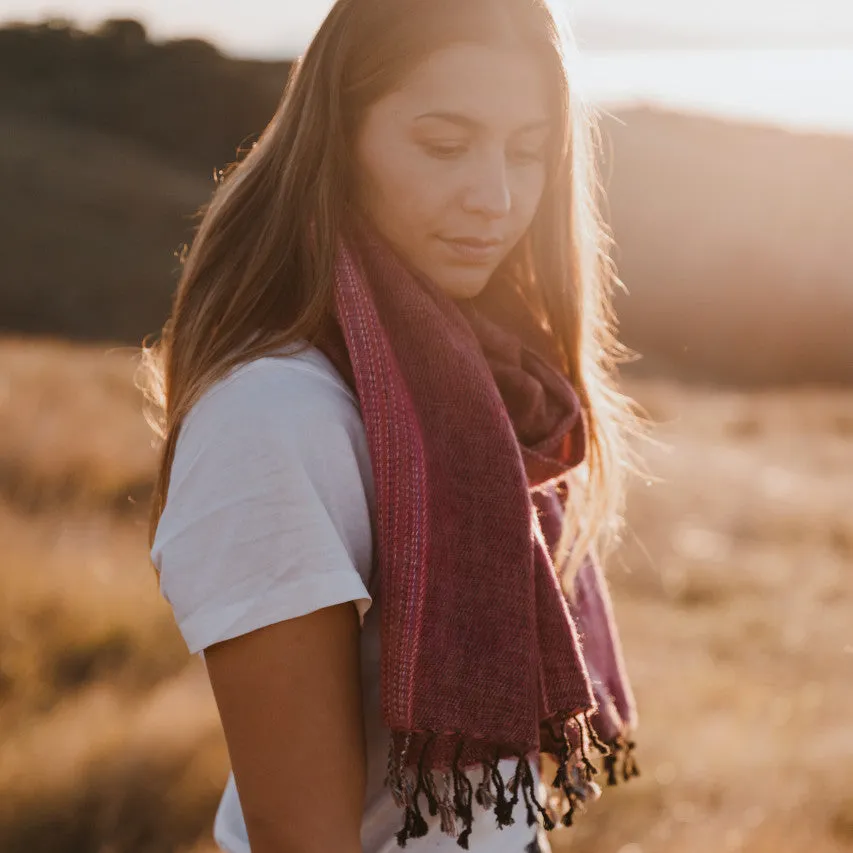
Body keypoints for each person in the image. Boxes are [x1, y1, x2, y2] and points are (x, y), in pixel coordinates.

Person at [140, 1, 642, 851]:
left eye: (527, 151)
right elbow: (304, 838)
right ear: (338, 140)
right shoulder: (272, 419)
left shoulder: (483, 386)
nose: (498, 197)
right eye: (445, 145)